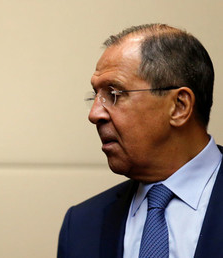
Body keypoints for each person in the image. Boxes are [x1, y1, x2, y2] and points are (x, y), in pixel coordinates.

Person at [58, 24, 223, 257]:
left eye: (114, 94)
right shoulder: (81, 226)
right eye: (94, 96)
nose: (94, 114)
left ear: (179, 106)